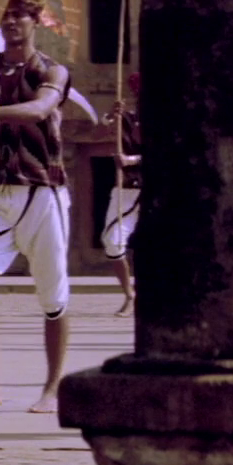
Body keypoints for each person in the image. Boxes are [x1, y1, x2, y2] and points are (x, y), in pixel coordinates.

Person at [0, 0, 74, 415]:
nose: (11, 23)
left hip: (41, 191)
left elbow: (39, 109)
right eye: (5, 16)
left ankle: (52, 386)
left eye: (19, 16)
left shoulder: (51, 71)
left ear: (35, 21)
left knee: (52, 292)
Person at [102, 72, 141, 317]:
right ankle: (129, 294)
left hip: (153, 189)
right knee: (113, 241)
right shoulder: (126, 117)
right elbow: (100, 129)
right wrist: (111, 116)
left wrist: (131, 160)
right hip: (126, 190)